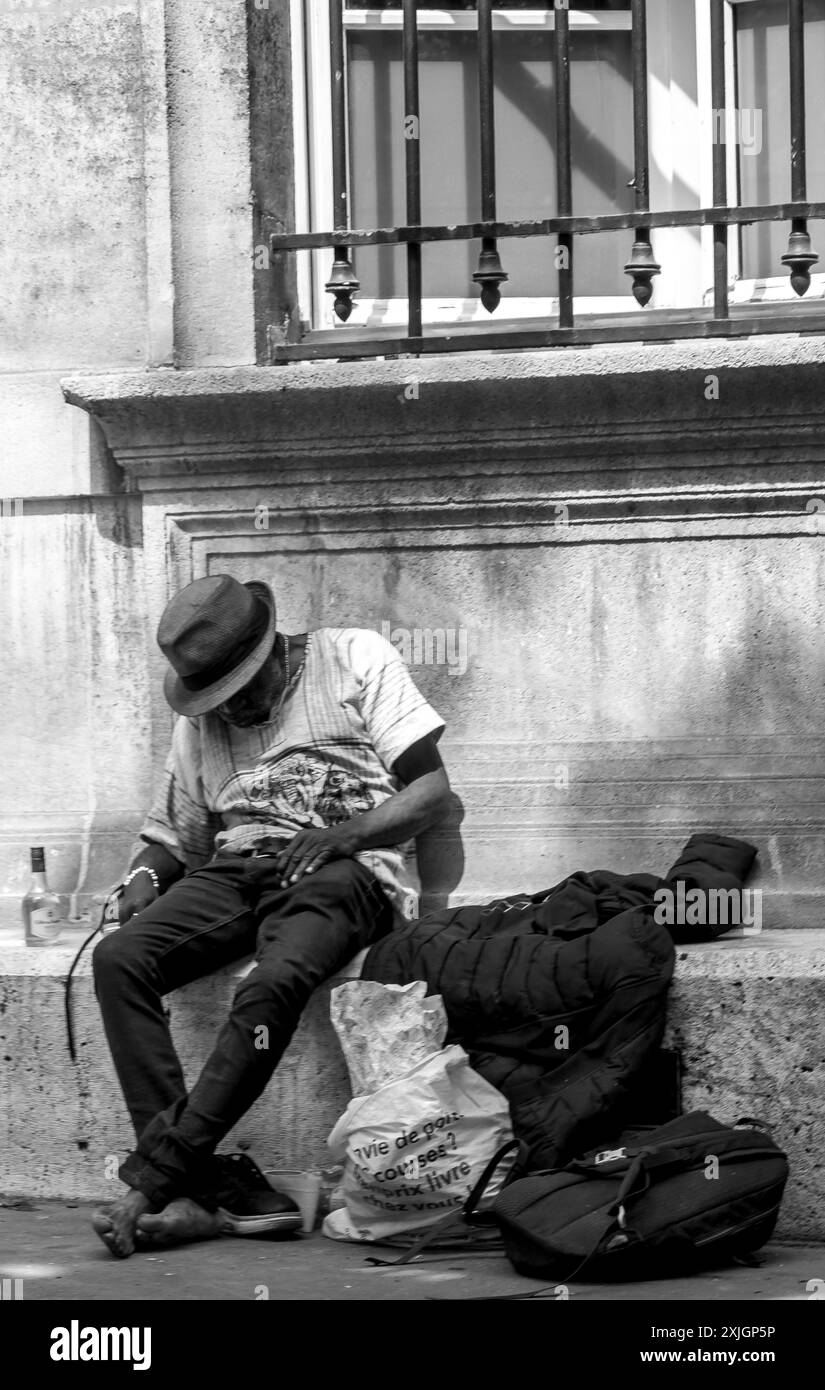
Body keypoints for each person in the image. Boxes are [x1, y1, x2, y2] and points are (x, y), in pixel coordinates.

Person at [92, 573, 450, 1257]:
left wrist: (342, 835)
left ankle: (156, 1186)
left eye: (241, 692)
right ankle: (197, 1185)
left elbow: (431, 792)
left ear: (269, 650)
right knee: (120, 957)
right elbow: (173, 839)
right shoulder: (200, 721)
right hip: (237, 868)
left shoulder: (355, 657)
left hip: (343, 871)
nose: (229, 711)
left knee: (270, 984)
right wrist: (142, 874)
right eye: (215, 700)